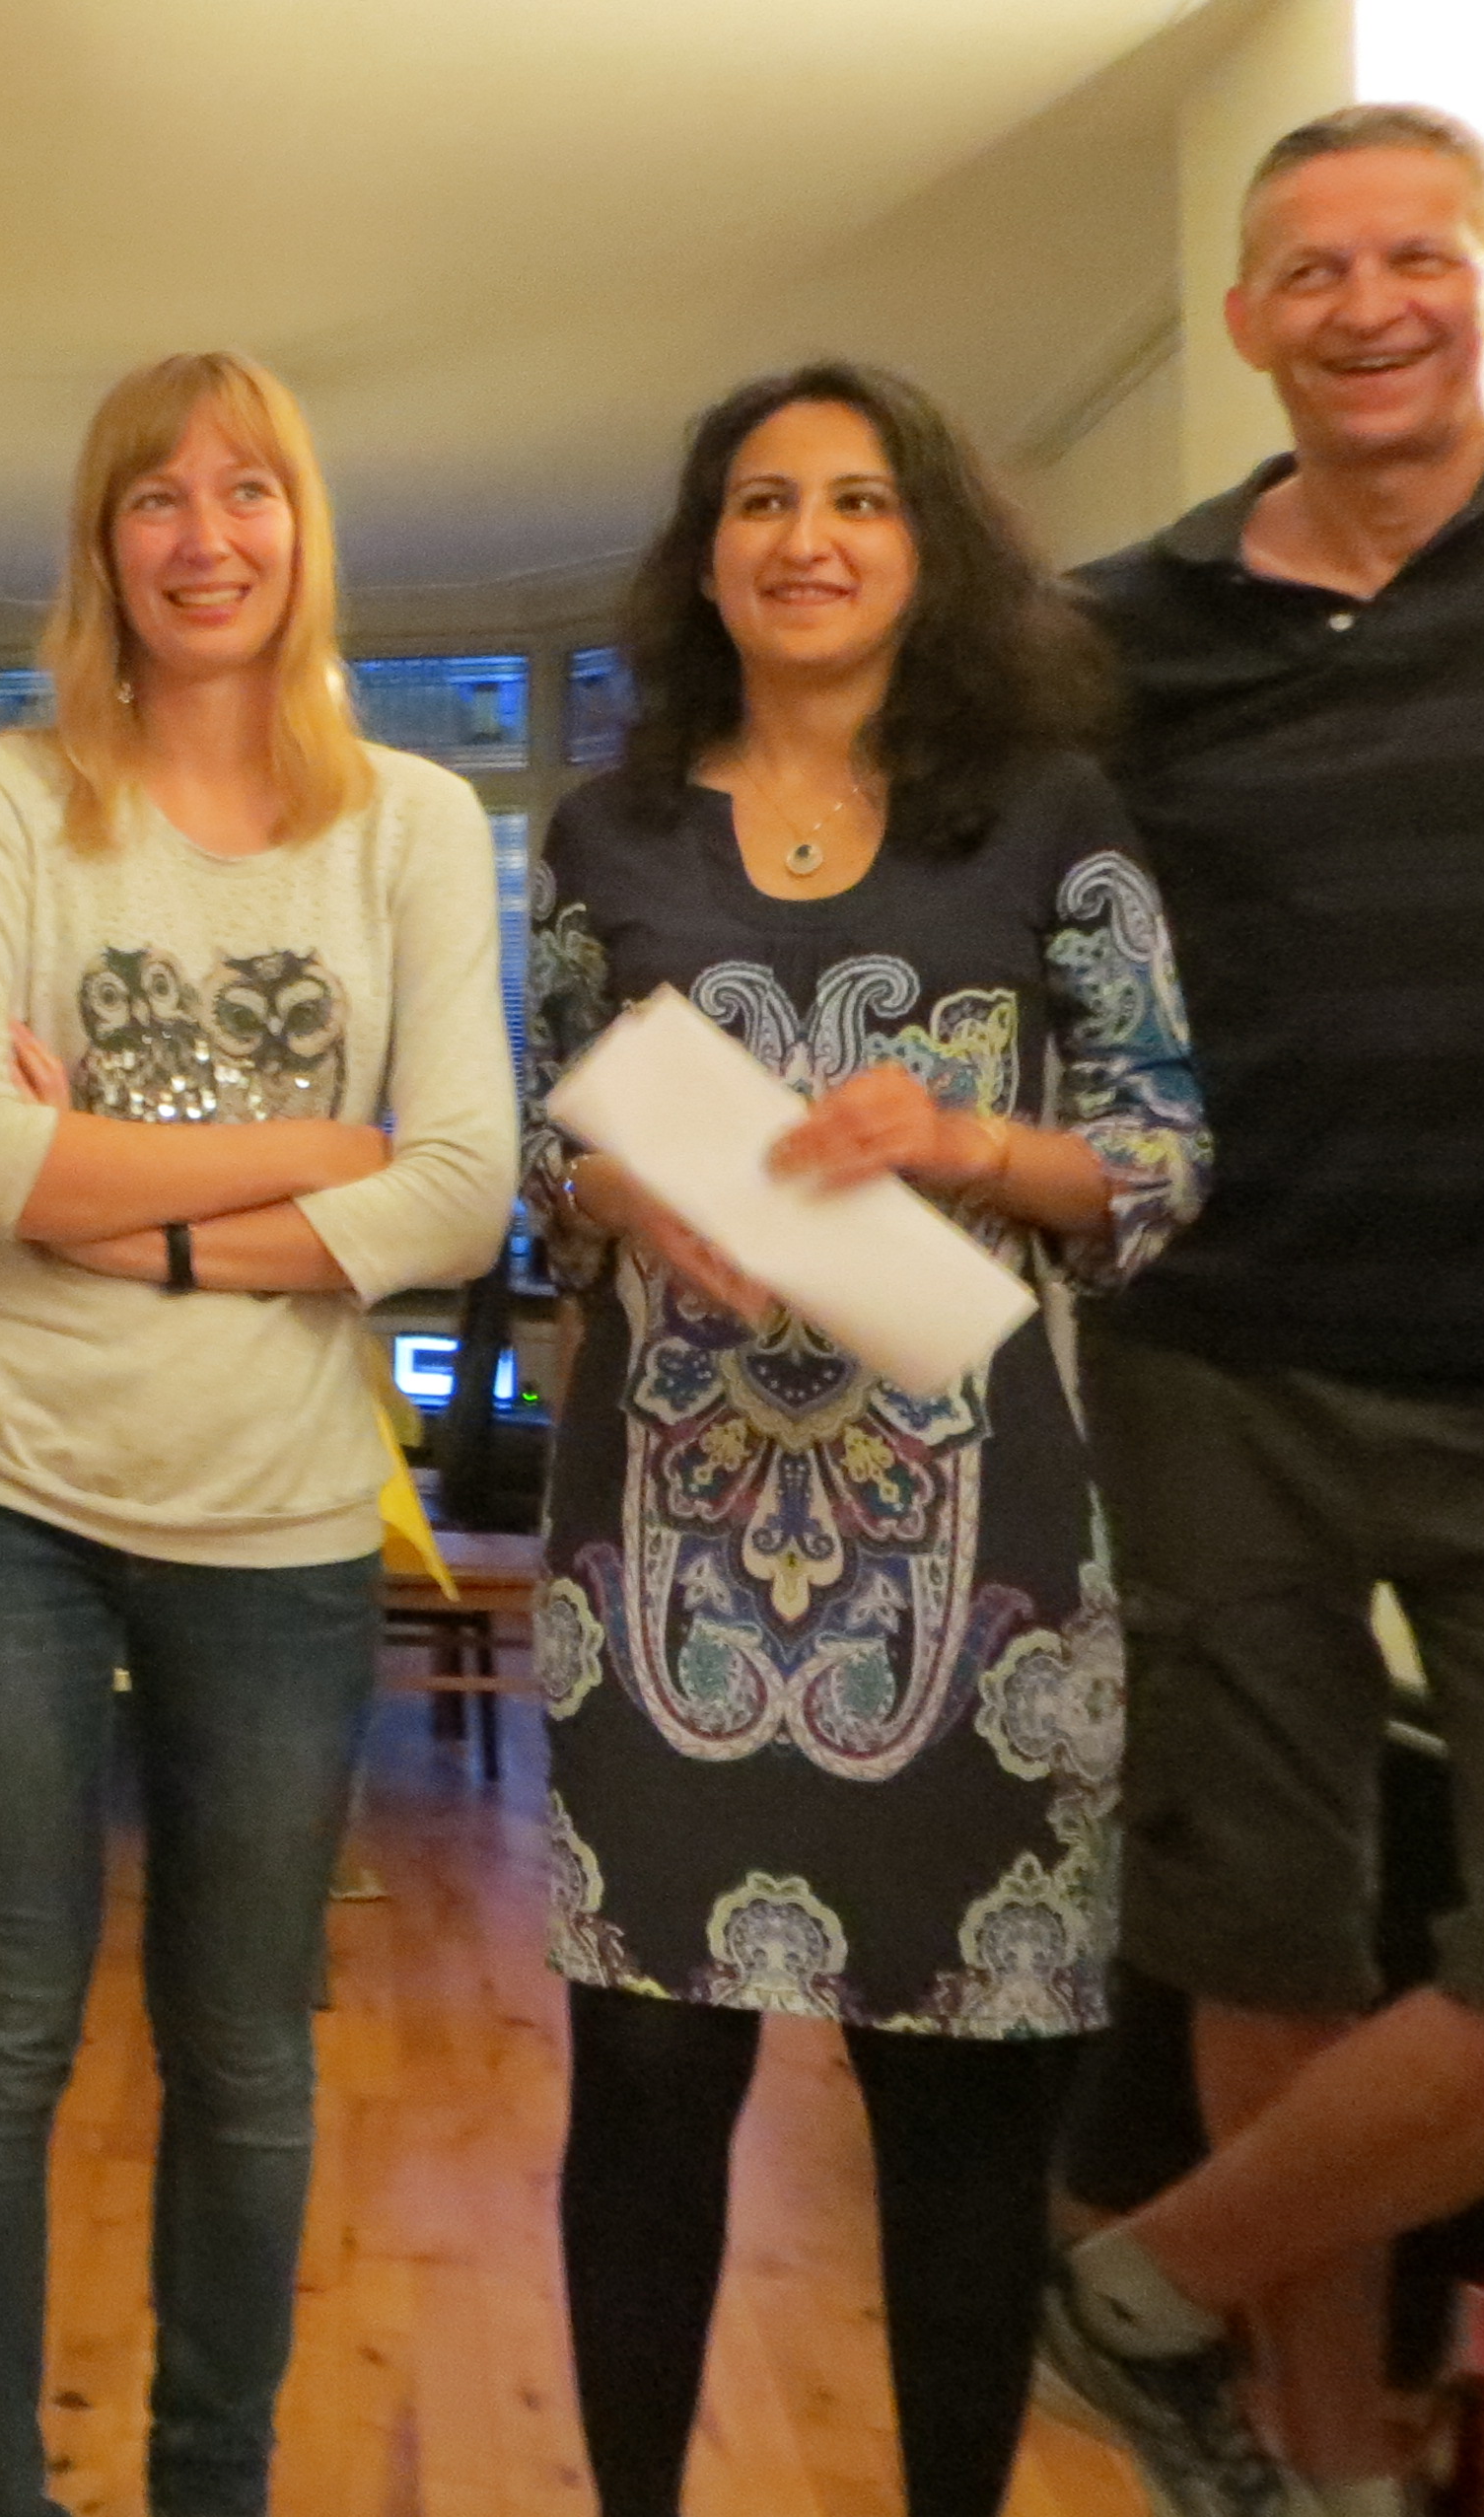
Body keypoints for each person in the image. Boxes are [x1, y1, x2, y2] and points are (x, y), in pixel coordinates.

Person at [521, 363, 1209, 2517]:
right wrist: (616, 1188)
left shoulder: (1052, 817)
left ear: (929, 547)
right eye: (758, 501)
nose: (803, 539)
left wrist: (972, 1140)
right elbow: (548, 1140)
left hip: (981, 1569)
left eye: (854, 499)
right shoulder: (603, 835)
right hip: (659, 1557)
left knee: (963, 2124)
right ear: (702, 555)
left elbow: (1162, 1152)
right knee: (642, 2086)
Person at [0, 351, 515, 2517]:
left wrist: (124, 1210)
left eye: (247, 489)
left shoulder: (411, 825)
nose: (203, 532)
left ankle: (207, 2488)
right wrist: (315, 1154)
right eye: (155, 496)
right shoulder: (6, 797)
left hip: (277, 1517)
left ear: (301, 530)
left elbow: (459, 1193)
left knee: (244, 2055)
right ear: (104, 544)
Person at [1042, 104, 1484, 2517]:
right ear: (1241, 321)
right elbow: (962, 902)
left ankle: (1132, 2290)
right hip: (1211, 1358)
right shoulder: (1114, 634)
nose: (1364, 306)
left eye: (1410, 256)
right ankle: (1316, 2466)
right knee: (1264, 1934)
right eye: (1309, 271)